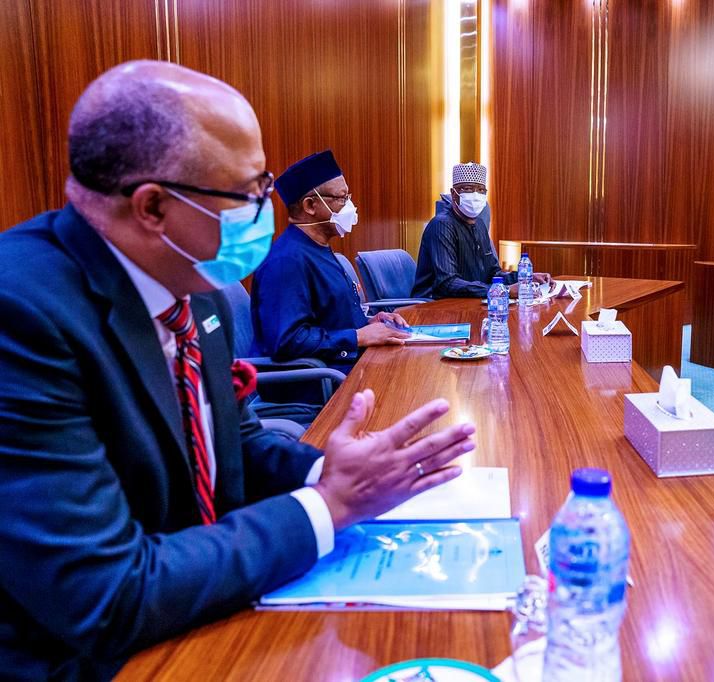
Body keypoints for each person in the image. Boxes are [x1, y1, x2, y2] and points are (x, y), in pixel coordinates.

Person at [0, 60, 474, 680]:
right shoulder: (22, 314)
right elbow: (104, 596)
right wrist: (325, 508)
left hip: (207, 603)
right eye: (248, 192)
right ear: (151, 207)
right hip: (93, 658)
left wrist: (327, 469)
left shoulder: (192, 282)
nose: (264, 211)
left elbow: (232, 441)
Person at [250, 150, 410, 374]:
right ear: (310, 206)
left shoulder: (319, 249)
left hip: (344, 369)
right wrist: (357, 337)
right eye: (341, 198)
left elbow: (329, 318)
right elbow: (287, 341)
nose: (349, 206)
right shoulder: (286, 261)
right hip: (316, 385)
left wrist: (371, 322)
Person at [412, 162, 551, 298]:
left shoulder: (479, 225)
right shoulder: (442, 225)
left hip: (467, 304)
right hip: (433, 306)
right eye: (467, 189)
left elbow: (492, 274)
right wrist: (505, 291)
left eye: (481, 190)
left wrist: (524, 278)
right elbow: (448, 283)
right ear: (454, 194)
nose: (475, 194)